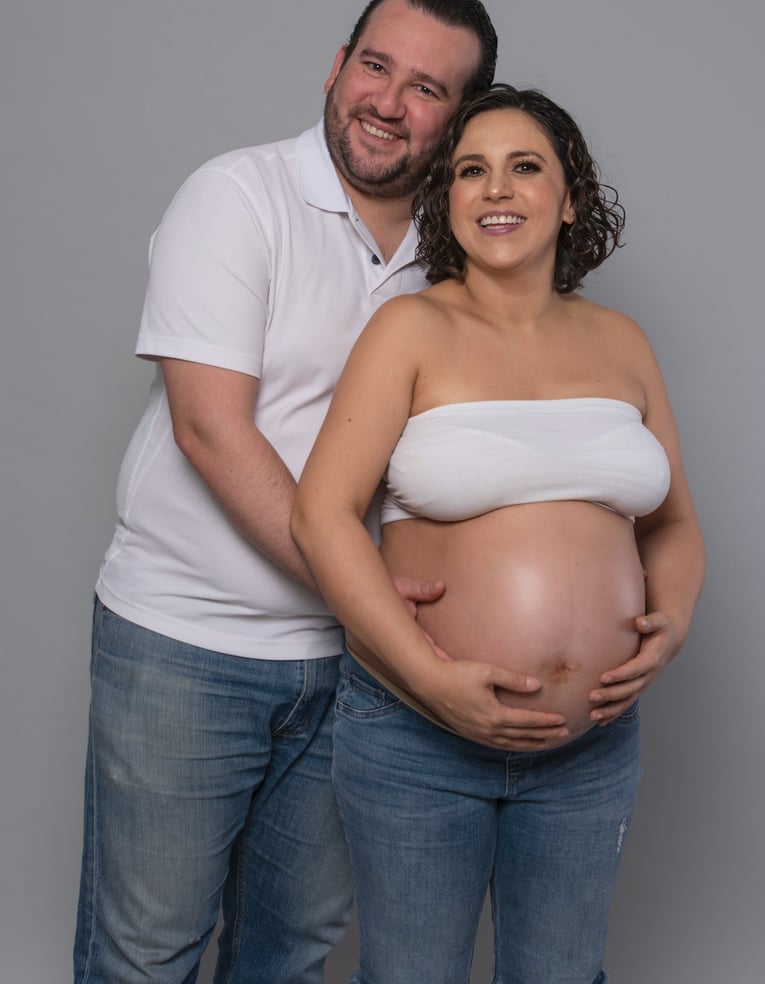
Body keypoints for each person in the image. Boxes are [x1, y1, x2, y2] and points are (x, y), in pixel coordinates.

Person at [72, 4, 521, 983]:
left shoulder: (461, 256)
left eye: (426, 89)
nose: (388, 104)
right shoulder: (237, 196)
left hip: (357, 673)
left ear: (465, 113)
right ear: (336, 65)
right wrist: (360, 591)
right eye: (375, 66)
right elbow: (208, 426)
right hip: (186, 646)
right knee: (147, 956)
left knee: (293, 952)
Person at [292, 84, 706, 983]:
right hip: (415, 735)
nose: (497, 190)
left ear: (572, 196)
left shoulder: (622, 342)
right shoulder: (410, 328)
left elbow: (673, 524)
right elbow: (321, 516)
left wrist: (670, 623)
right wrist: (432, 678)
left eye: (526, 167)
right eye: (471, 171)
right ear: (446, 200)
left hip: (592, 746)